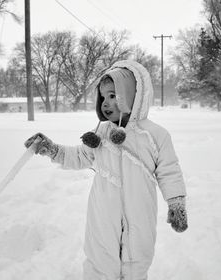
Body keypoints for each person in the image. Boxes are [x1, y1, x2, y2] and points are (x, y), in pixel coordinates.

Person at [25, 60, 187, 280]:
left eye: (113, 95)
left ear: (132, 95)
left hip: (140, 212)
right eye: (103, 97)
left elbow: (169, 171)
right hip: (103, 212)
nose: (106, 103)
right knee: (100, 259)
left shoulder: (155, 135)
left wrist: (176, 202)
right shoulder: (100, 133)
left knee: (138, 258)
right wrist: (52, 149)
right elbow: (79, 156)